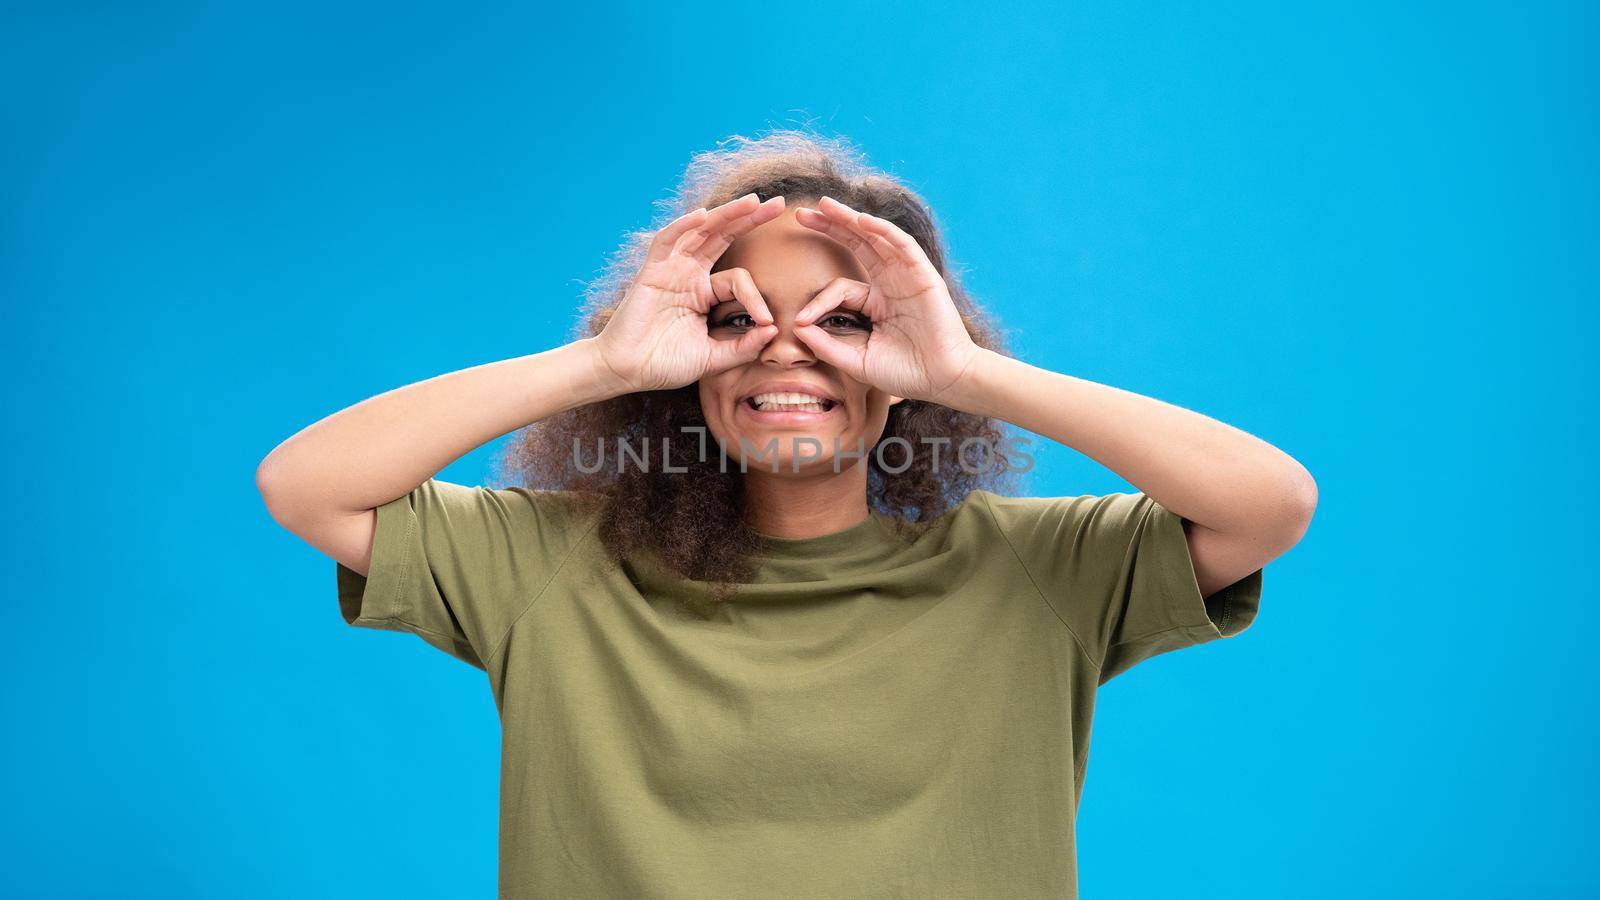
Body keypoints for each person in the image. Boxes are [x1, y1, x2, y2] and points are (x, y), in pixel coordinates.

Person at [257, 131, 1316, 899]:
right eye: (735, 318)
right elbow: (305, 484)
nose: (786, 349)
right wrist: (602, 362)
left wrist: (963, 371)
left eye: (847, 322)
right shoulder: (550, 565)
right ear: (684, 354)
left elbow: (1270, 504)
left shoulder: (1036, 572)